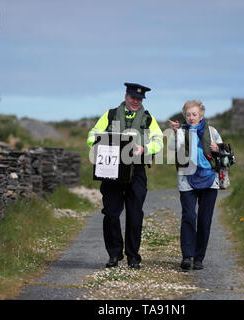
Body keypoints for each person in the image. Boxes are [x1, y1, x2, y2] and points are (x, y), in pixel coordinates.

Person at [87, 83, 163, 269]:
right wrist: (99, 144)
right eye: (133, 97)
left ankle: (133, 256)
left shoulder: (148, 119)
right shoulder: (110, 114)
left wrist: (145, 148)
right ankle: (114, 254)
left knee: (135, 214)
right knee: (111, 214)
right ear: (126, 96)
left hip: (136, 170)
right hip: (111, 168)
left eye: (139, 99)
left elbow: (159, 140)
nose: (136, 101)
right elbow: (92, 135)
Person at [167, 100, 223, 270]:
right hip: (186, 178)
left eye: (194, 114)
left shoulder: (212, 132)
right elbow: (171, 150)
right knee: (189, 217)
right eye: (188, 114)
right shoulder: (180, 131)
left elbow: (224, 150)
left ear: (201, 115)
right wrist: (176, 134)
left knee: (205, 220)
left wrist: (217, 149)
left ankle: (199, 258)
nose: (191, 117)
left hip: (209, 180)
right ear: (185, 116)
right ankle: (187, 256)